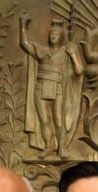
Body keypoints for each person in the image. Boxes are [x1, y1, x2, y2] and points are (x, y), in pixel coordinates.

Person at [20, 15, 84, 158]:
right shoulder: (42, 51)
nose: (53, 37)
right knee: (44, 119)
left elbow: (79, 71)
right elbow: (25, 44)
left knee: (58, 119)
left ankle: (61, 147)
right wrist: (23, 26)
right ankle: (49, 146)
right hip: (41, 87)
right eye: (51, 34)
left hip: (58, 88)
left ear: (61, 37)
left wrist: (73, 55)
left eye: (56, 34)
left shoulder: (66, 53)